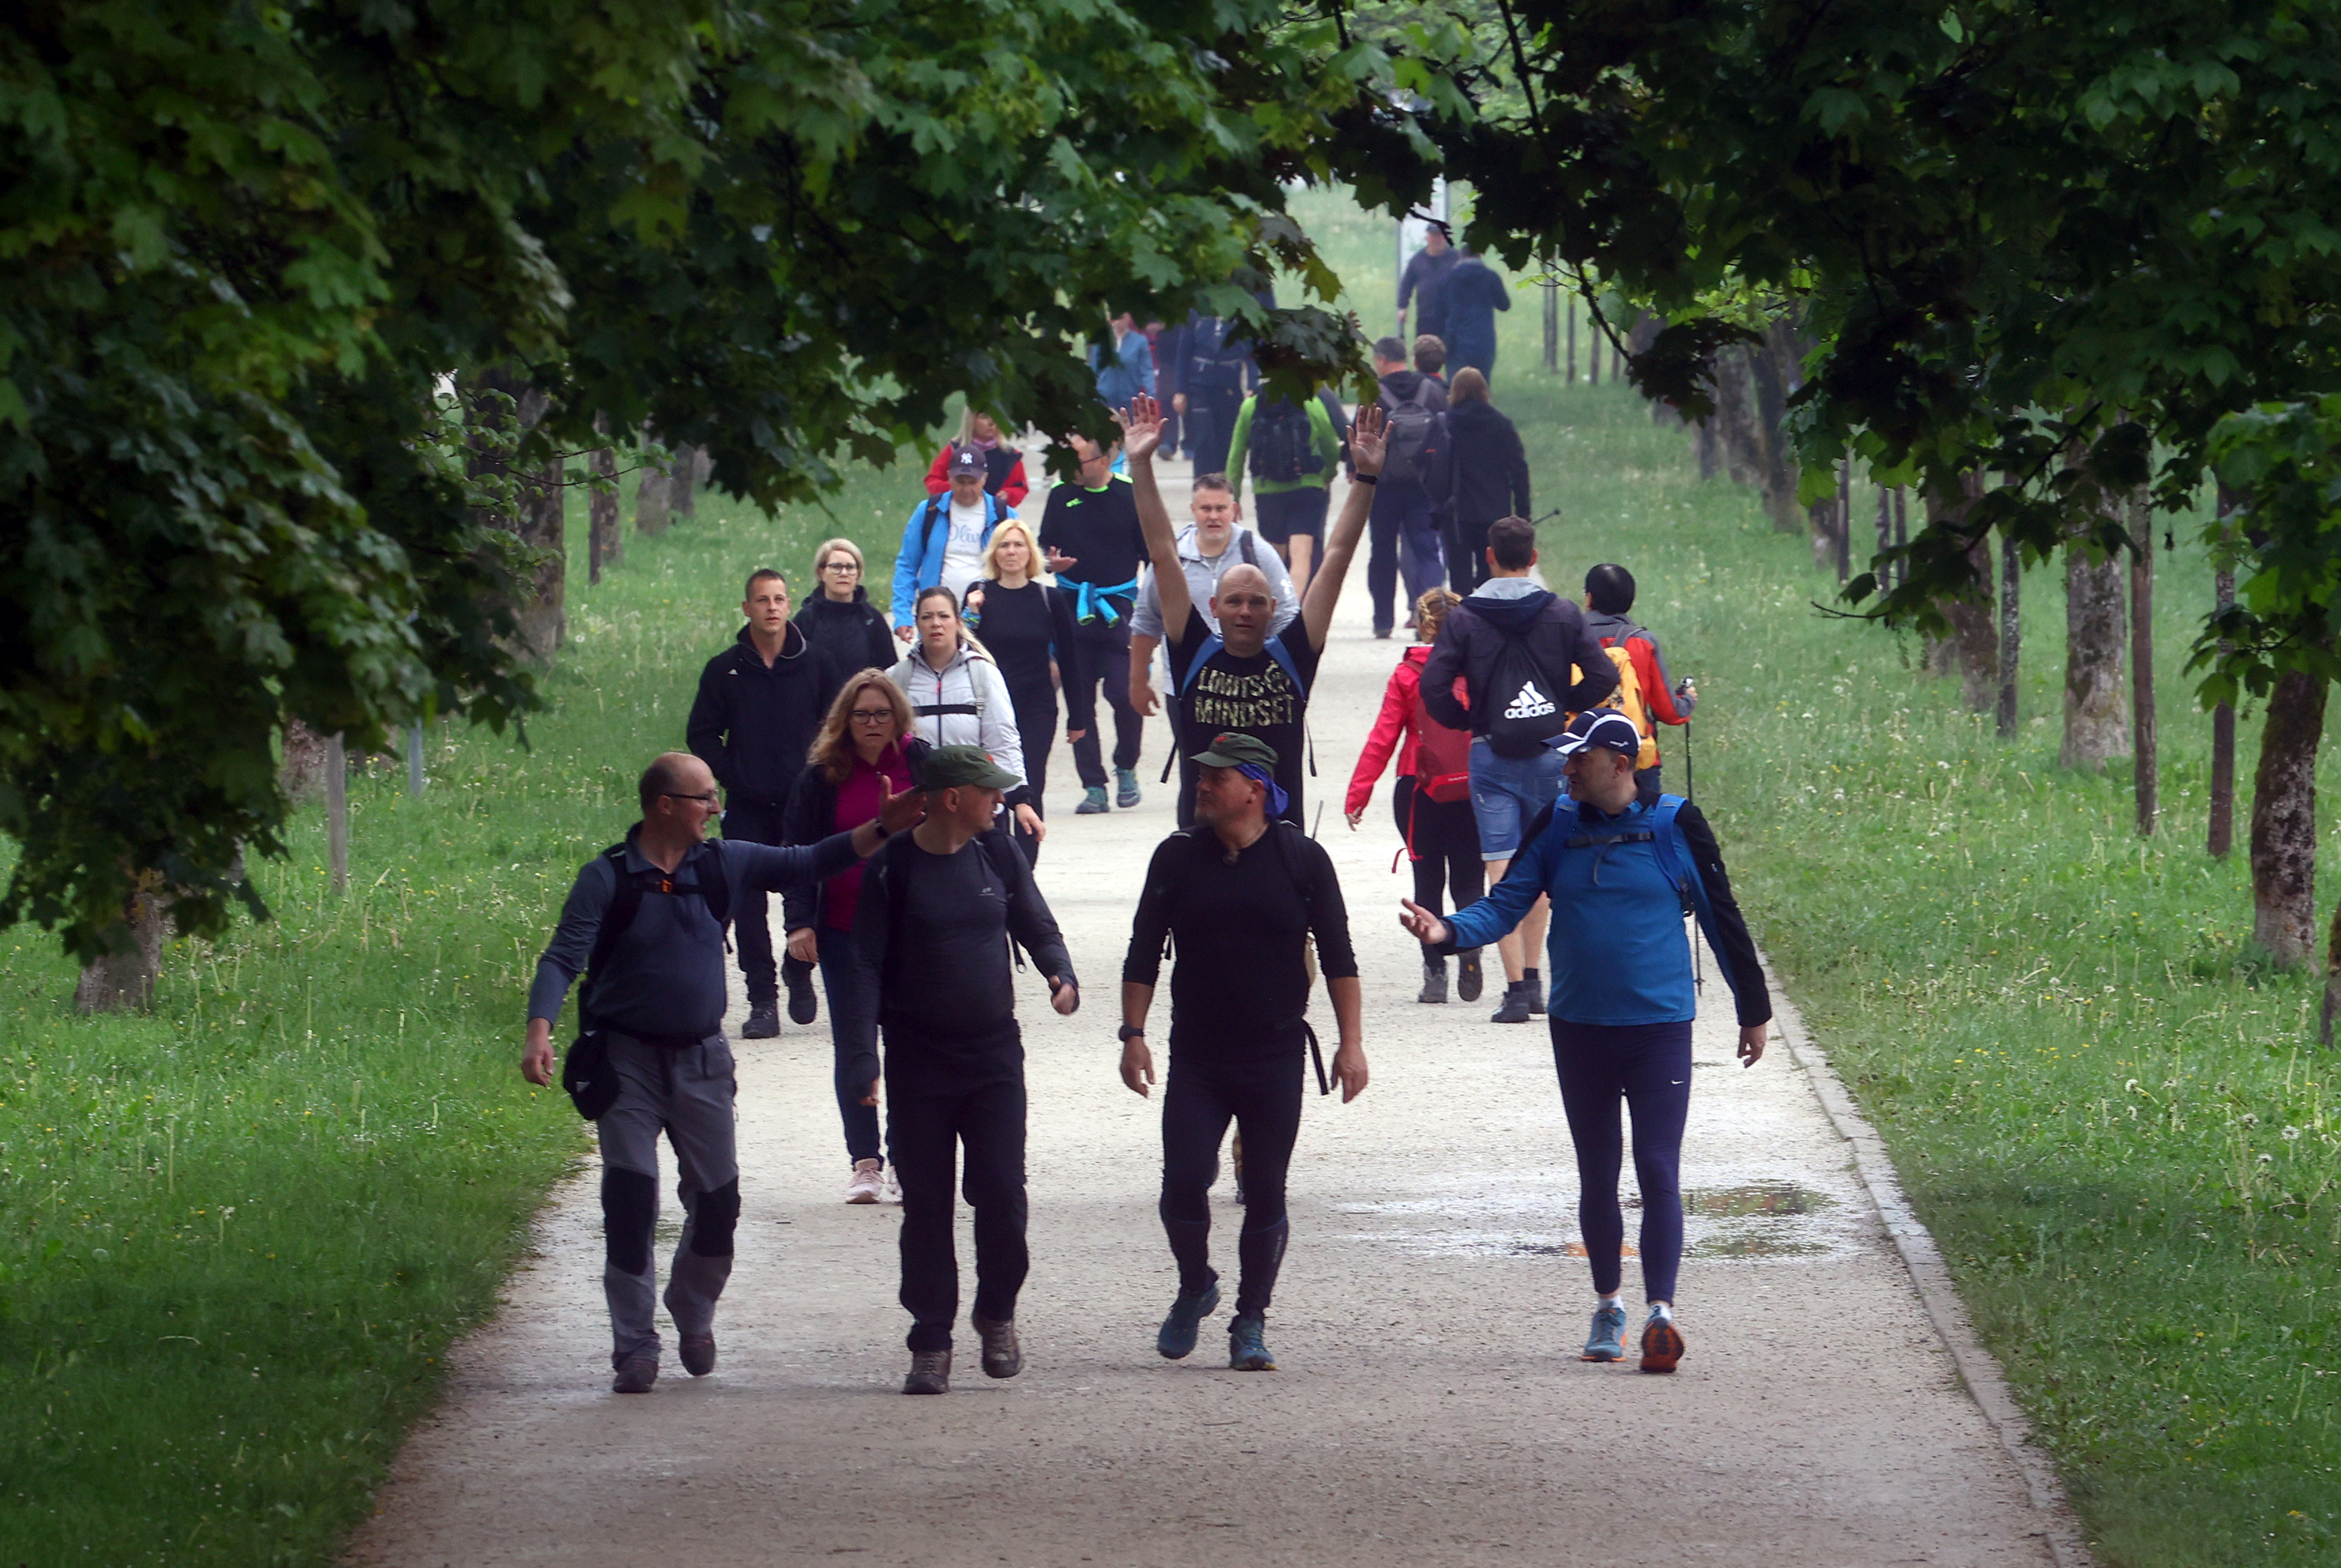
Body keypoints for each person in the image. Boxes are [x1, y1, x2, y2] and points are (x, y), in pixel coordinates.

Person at [522, 750, 925, 1394]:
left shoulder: (723, 862)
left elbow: (808, 860)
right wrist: (539, 1029)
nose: (716, 807)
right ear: (665, 805)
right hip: (624, 1062)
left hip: (704, 1061)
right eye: (704, 797)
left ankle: (691, 1306)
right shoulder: (606, 877)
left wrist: (882, 828)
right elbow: (561, 958)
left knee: (718, 1205)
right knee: (629, 1202)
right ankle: (635, 1346)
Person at [1398, 710, 1772, 1375]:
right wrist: (1448, 932)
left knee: (1658, 1167)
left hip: (1658, 1026)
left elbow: (1723, 914)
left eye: (1580, 759)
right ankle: (1608, 1305)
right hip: (1580, 1026)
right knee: (1597, 1169)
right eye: (1567, 758)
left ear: (1620, 764)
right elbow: (1507, 900)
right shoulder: (1558, 822)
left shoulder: (1674, 823)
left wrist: (1753, 1009)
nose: (1566, 768)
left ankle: (1662, 1312)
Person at [1121, 733, 1366, 1371]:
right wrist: (1133, 1033)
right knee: (1183, 1181)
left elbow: (1339, 956)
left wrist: (1352, 1044)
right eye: (1201, 776)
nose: (1201, 785)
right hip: (1199, 1056)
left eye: (1216, 777)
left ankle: (1251, 1319)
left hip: (1275, 1053)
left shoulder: (1301, 860)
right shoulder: (1175, 859)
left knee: (1265, 1186)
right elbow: (1143, 950)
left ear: (1254, 789)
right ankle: (1196, 1282)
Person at [849, 746, 1079, 1395]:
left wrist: (1062, 973)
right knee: (927, 1203)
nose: (1000, 801)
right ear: (953, 797)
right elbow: (864, 963)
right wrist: (863, 1057)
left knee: (1002, 1192)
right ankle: (931, 1337)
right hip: (920, 1058)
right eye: (990, 791)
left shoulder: (999, 854)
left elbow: (1037, 923)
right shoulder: (893, 867)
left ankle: (997, 1310)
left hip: (993, 1055)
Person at [1124, 391, 1388, 828]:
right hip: (1202, 847)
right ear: (1213, 608)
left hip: (1280, 845)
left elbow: (1338, 555)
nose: (1244, 610)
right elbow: (1163, 552)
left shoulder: (1294, 655)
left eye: (1255, 602)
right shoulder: (1191, 649)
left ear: (1273, 609)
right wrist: (1139, 465)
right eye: (1233, 601)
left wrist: (1367, 478)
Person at [1420, 516, 1618, 1024]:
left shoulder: (1465, 619)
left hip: (1492, 753)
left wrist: (1469, 720)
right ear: (1533, 557)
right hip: (1551, 750)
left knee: (1501, 867)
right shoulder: (1562, 612)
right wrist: (1559, 705)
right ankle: (1535, 979)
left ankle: (1513, 991)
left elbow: (1434, 687)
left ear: (1489, 556)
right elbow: (1602, 673)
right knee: (1545, 866)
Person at [782, 672, 927, 1205]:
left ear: (898, 717)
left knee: (911, 1045)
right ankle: (865, 1160)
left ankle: (906, 1155)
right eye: (862, 714)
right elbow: (797, 853)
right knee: (856, 1046)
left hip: (912, 930)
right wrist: (799, 921)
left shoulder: (922, 765)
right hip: (844, 931)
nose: (872, 723)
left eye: (882, 714)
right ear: (845, 719)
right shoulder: (822, 776)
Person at [685, 568, 842, 1039]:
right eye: (762, 600)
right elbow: (702, 734)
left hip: (805, 804)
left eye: (779, 599)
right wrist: (735, 775)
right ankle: (762, 1000)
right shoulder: (724, 669)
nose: (771, 607)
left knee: (809, 894)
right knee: (748, 904)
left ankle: (799, 970)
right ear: (747, 609)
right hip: (748, 806)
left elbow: (839, 725)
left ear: (789, 605)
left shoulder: (818, 664)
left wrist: (820, 774)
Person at [1345, 588, 1483, 1006]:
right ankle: (1470, 945)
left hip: (1418, 789)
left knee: (1428, 881)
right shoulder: (1478, 672)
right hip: (1470, 785)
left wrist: (1359, 792)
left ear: (1422, 627)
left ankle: (1435, 972)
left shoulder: (1408, 675)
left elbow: (1383, 737)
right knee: (1469, 879)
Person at [963, 519, 1090, 861]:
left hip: (1036, 706)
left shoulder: (1049, 599)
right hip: (988, 708)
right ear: (995, 553)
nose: (1011, 552)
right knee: (991, 785)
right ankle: (996, 863)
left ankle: (1024, 872)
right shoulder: (979, 594)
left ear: (1030, 552)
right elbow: (962, 645)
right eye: (1004, 545)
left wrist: (1078, 717)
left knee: (1030, 785)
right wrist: (971, 611)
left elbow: (1070, 659)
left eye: (1018, 545)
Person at [1036, 432, 1149, 814]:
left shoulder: (1130, 494)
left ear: (1103, 461)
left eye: (1079, 461)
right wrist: (1052, 564)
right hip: (1071, 607)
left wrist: (1155, 609)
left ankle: (1126, 764)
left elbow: (1152, 553)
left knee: (1124, 692)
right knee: (1079, 700)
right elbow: (1043, 550)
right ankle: (1094, 785)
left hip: (1119, 607)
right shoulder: (1060, 495)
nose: (1071, 469)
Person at [1128, 474, 1297, 724]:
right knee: (1193, 762)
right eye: (1206, 509)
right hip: (1187, 685)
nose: (1214, 516)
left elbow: (1286, 616)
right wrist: (1138, 682)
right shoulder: (1174, 559)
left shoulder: (1258, 554)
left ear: (1235, 510)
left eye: (1221, 508)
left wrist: (1286, 678)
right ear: (1193, 510)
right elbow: (1146, 620)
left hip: (1250, 685)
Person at [887, 586, 1045, 846]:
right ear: (917, 623)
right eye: (927, 617)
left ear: (958, 622)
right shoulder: (897, 678)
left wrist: (1021, 800)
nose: (936, 623)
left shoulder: (983, 675)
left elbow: (1003, 741)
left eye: (944, 616)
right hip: (920, 809)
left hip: (976, 805)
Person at [1583, 563, 1697, 794]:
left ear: (1589, 599)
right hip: (1637, 758)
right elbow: (1670, 712)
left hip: (1582, 756)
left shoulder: (1570, 639)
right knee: (1644, 823)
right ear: (1630, 601)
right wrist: (1688, 700)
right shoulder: (1644, 642)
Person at [1366, 336, 1450, 639]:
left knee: (1383, 552)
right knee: (1428, 551)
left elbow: (1361, 435)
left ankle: (1383, 620)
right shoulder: (1432, 392)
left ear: (1381, 360)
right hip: (1424, 486)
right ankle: (1428, 620)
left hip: (1384, 488)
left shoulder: (1373, 393)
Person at [1225, 388, 1344, 597]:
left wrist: (1232, 498)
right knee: (1301, 558)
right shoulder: (1311, 402)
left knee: (1274, 561)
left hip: (1267, 491)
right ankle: (1293, 614)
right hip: (1307, 488)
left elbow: (1236, 454)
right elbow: (1330, 446)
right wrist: (1327, 474)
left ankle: (1276, 611)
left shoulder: (1251, 405)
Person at [891, 446, 1013, 639]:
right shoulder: (929, 511)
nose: (966, 489)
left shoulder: (1003, 515)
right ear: (948, 477)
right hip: (937, 618)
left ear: (985, 478)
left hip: (990, 616)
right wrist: (903, 615)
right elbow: (907, 565)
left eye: (972, 482)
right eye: (960, 482)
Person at [1440, 369, 1531, 595]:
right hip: (1494, 513)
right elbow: (1519, 470)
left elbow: (1434, 467)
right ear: (1484, 391)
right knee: (1490, 573)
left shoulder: (1445, 424)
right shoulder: (1501, 424)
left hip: (1456, 513)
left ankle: (1462, 620)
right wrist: (1522, 514)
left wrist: (1436, 504)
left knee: (1458, 573)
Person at [798, 537, 898, 676]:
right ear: (821, 573)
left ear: (858, 574)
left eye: (850, 568)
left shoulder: (872, 619)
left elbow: (890, 673)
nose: (844, 573)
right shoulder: (806, 619)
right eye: (836, 567)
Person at [1175, 309, 1254, 479]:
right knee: (1203, 438)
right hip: (1199, 387)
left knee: (1226, 439)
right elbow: (1183, 353)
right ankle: (1201, 482)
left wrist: (1252, 387)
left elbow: (1252, 355)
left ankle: (1222, 481)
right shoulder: (1196, 313)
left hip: (1229, 388)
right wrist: (1180, 391)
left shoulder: (1241, 315)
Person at [923, 412, 1030, 508]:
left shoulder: (1010, 456)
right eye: (984, 417)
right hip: (956, 513)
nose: (991, 423)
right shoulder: (953, 450)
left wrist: (1009, 495)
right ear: (971, 420)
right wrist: (956, 489)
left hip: (995, 518)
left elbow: (1021, 487)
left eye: (997, 416)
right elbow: (932, 481)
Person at [1441, 251, 1511, 383]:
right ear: (1480, 256)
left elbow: (1439, 308)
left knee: (1455, 385)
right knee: (1482, 384)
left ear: (1461, 257)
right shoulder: (1490, 277)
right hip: (1483, 340)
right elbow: (1504, 305)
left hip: (1456, 340)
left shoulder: (1449, 277)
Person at [1397, 220, 1459, 346]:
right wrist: (1403, 307)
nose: (1438, 239)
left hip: (1451, 317)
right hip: (1426, 317)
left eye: (1441, 235)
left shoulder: (1455, 258)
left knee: (1452, 355)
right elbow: (1407, 285)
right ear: (1428, 237)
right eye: (1434, 235)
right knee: (1425, 352)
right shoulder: (1418, 260)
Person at [1090, 312, 1157, 412]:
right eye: (1114, 318)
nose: (1117, 321)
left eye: (1120, 318)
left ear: (1129, 318)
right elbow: (1093, 370)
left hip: (1130, 402)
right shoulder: (1101, 341)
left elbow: (1147, 372)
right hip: (1103, 401)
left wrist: (1151, 396)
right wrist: (1091, 397)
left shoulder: (1140, 342)